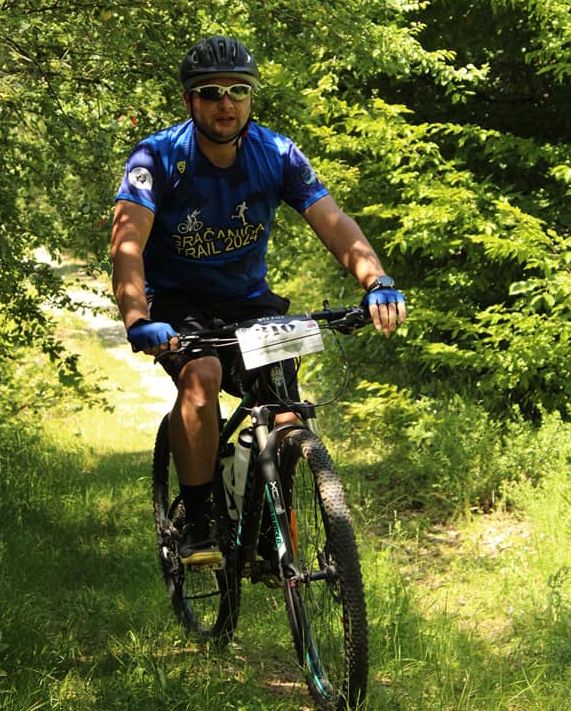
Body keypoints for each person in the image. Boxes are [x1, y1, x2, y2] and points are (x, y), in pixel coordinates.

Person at [111, 35, 405, 566]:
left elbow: (333, 221)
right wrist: (137, 318)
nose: (226, 103)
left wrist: (376, 281)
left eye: (238, 91)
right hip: (177, 303)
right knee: (201, 378)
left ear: (250, 97)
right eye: (211, 93)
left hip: (249, 303)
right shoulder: (157, 157)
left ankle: (274, 535)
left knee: (286, 413)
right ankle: (199, 520)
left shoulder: (277, 154)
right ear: (190, 100)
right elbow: (128, 242)